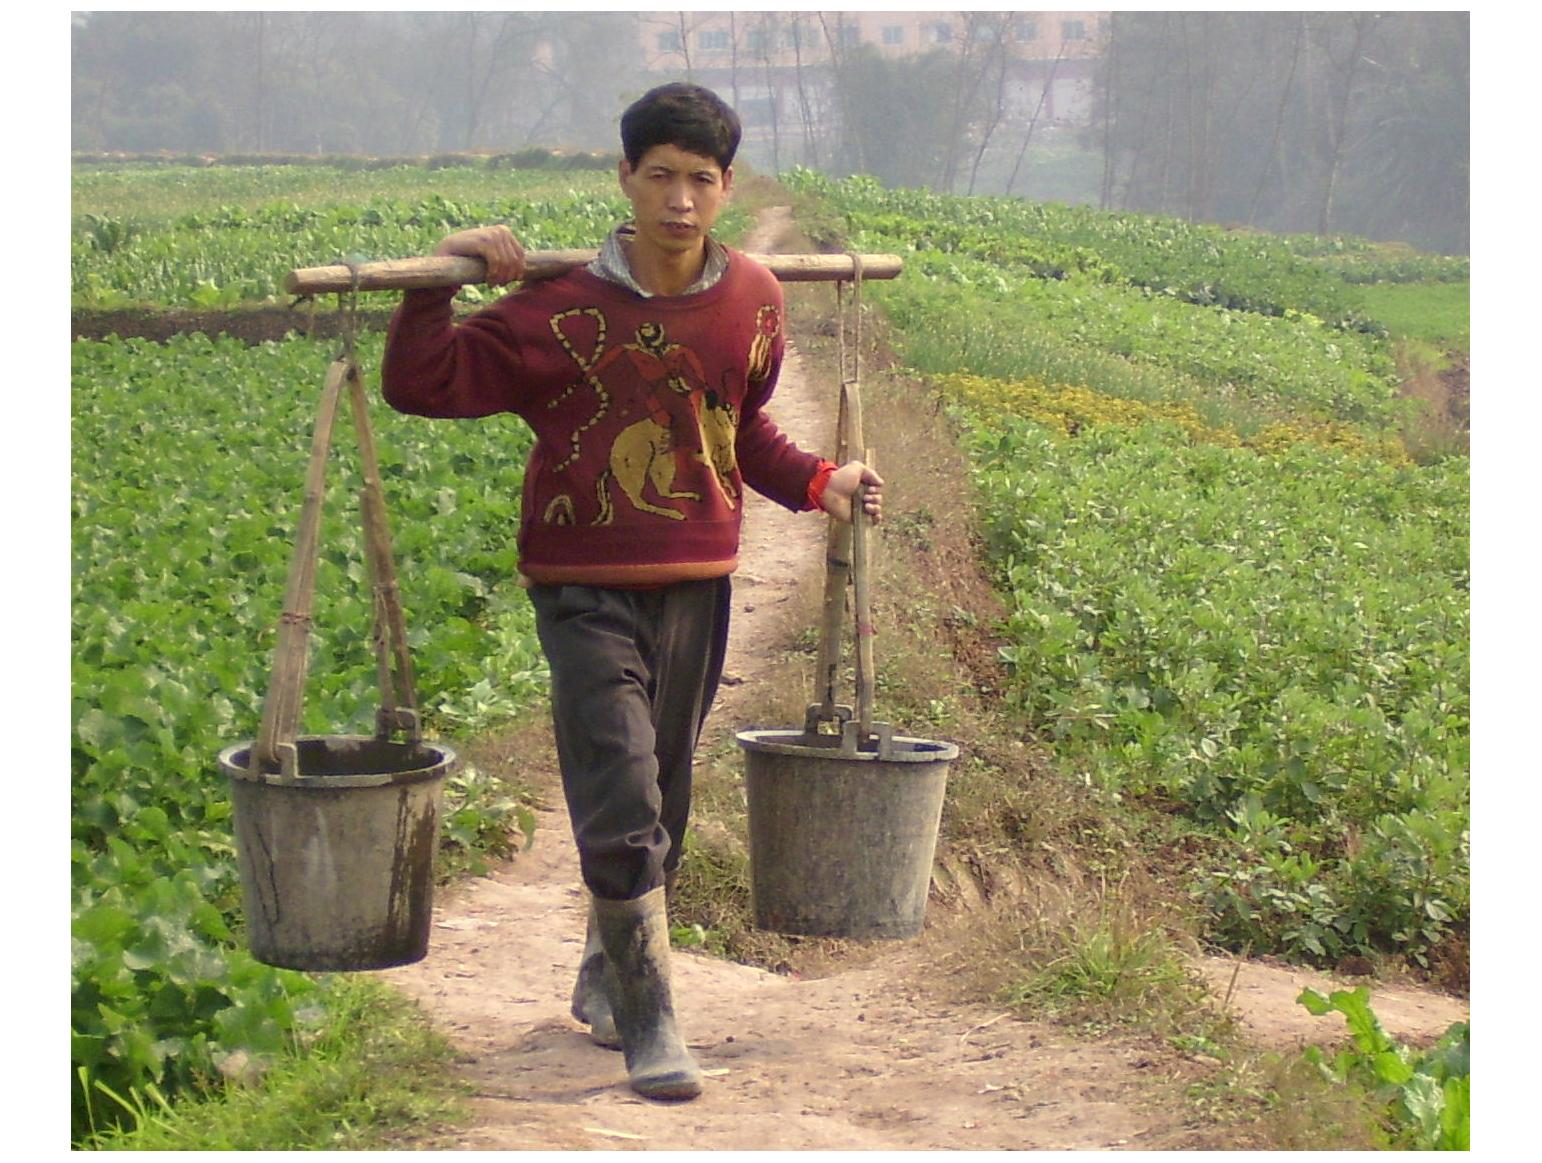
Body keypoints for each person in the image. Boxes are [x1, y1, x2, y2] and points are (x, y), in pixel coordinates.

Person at [379, 82, 883, 1102]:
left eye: (701, 179)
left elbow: (738, 430)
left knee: (668, 795)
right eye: (661, 176)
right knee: (619, 788)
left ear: (728, 187)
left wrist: (821, 483)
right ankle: (654, 1018)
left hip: (698, 580)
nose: (681, 199)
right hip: (581, 583)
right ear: (626, 178)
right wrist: (440, 282)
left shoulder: (754, 298)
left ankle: (610, 971)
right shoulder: (557, 311)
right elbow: (422, 383)